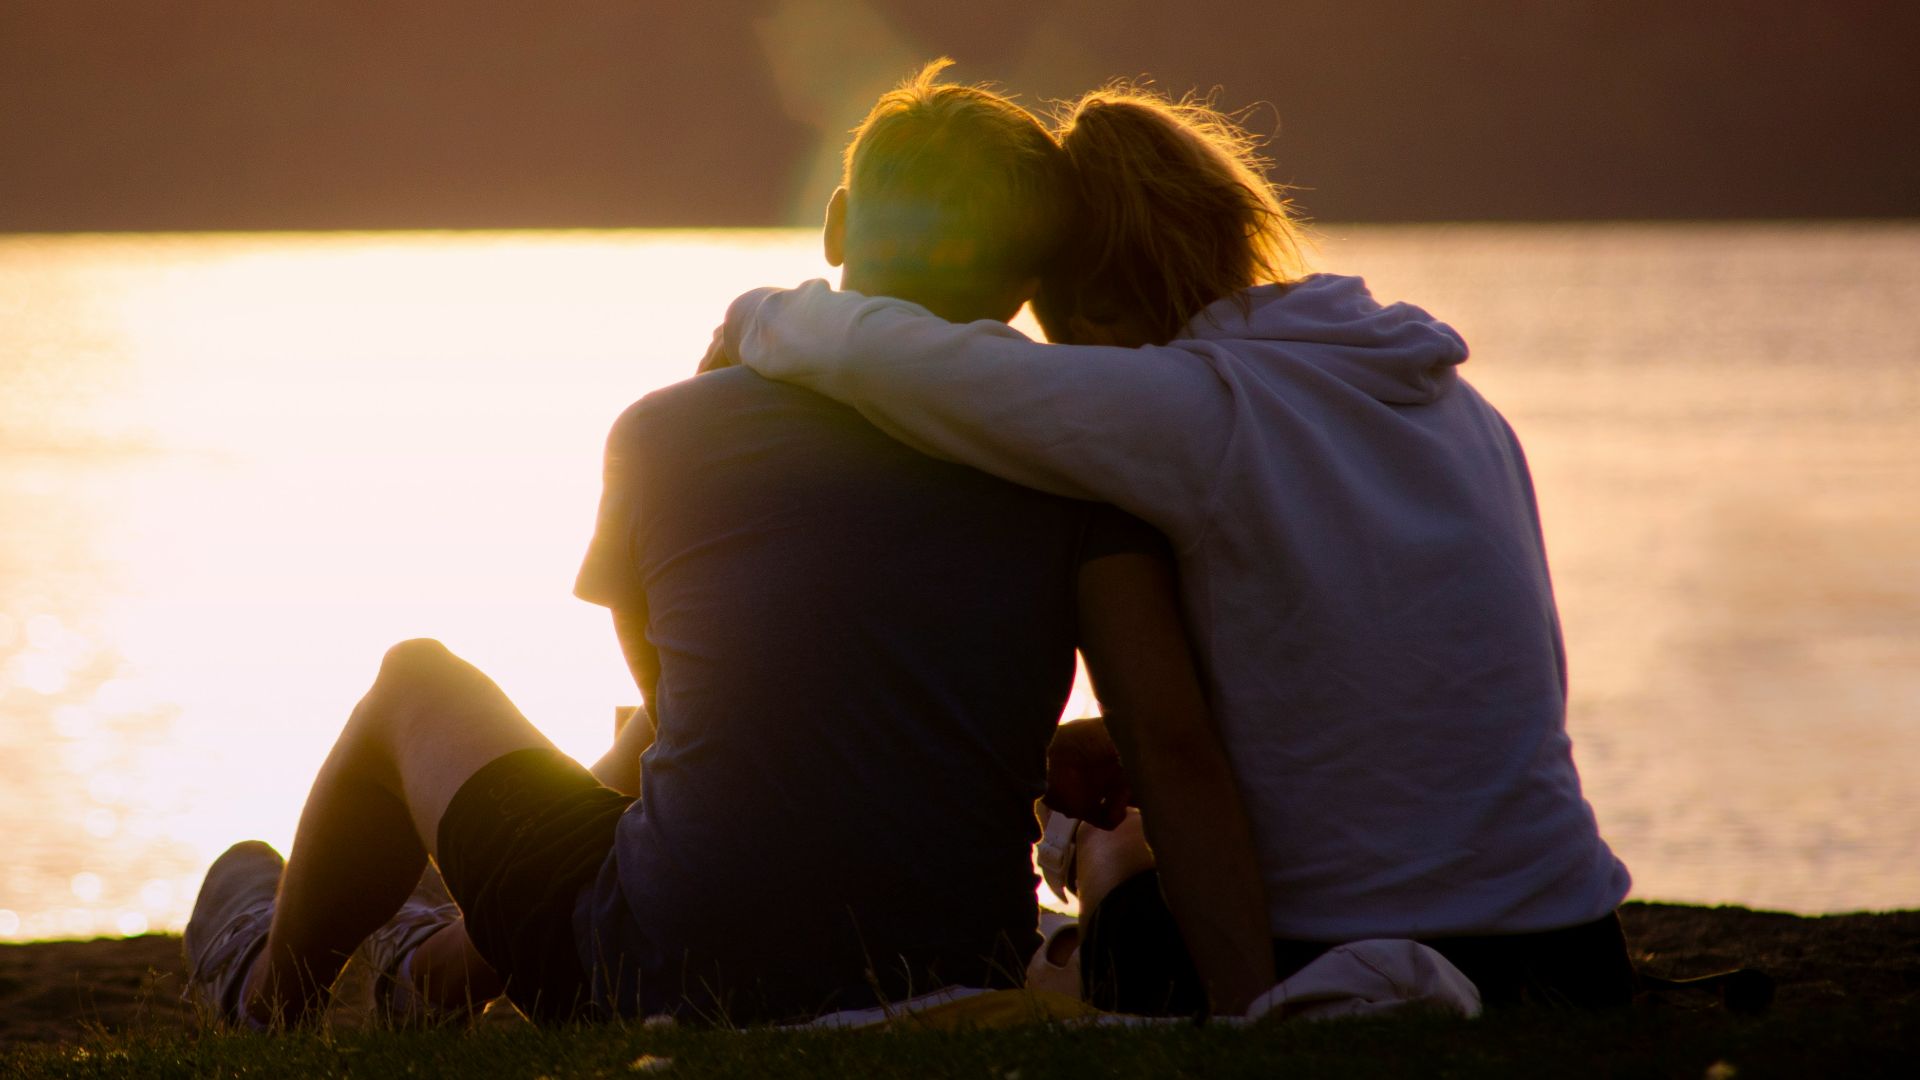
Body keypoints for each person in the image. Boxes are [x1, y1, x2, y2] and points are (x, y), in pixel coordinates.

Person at [183, 63, 1272, 1028]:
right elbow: (1168, 741)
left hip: (668, 972)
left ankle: (268, 992)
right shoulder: (1080, 462)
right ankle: (423, 970)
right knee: (634, 818)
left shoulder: (664, 431)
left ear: (840, 225)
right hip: (953, 959)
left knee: (414, 682)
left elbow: (681, 703)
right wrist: (1251, 1013)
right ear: (1031, 276)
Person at [715, 84, 1637, 1011]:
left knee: (1114, 848)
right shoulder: (1450, 400)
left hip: (1340, 947)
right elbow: (1412, 673)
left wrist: (759, 316)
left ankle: (1098, 876)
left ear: (1092, 304)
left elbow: (907, 363)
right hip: (1573, 945)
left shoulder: (1192, 406)